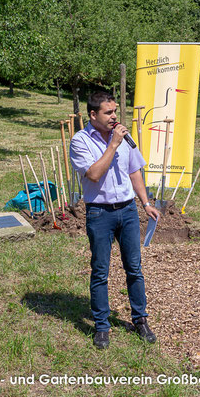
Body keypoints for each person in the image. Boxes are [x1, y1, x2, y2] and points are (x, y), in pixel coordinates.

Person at [70, 92, 160, 349]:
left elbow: (134, 172)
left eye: (115, 112)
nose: (114, 117)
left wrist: (145, 203)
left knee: (134, 268)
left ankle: (140, 319)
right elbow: (94, 174)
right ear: (93, 115)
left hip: (128, 211)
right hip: (100, 213)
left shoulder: (125, 138)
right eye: (108, 113)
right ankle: (101, 326)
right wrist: (112, 145)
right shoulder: (81, 141)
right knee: (100, 271)